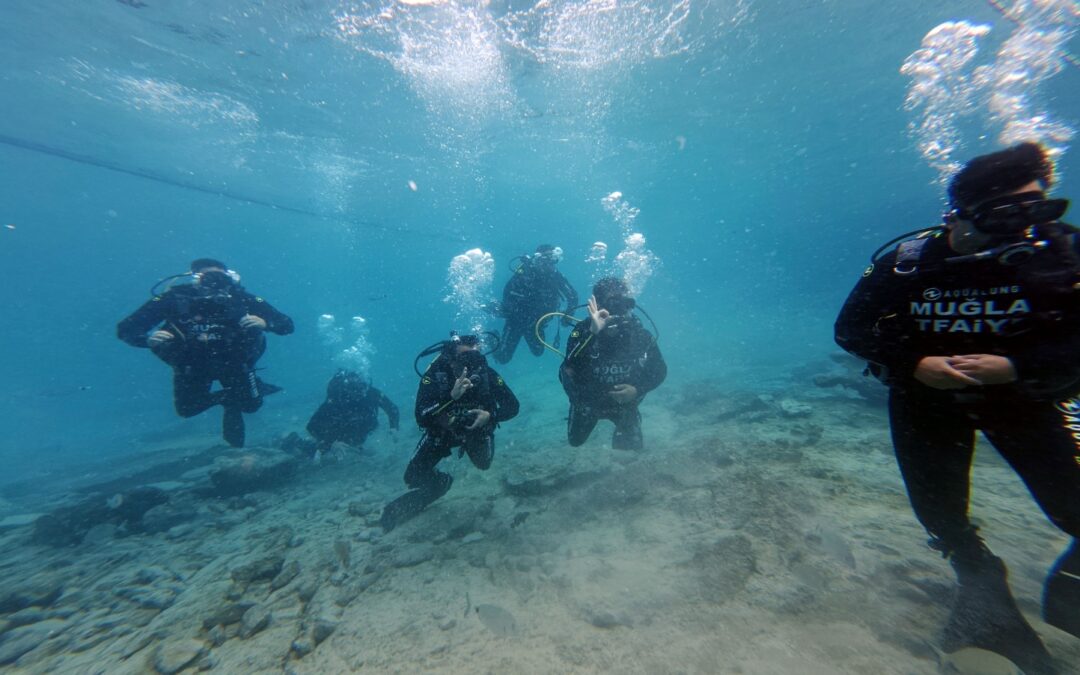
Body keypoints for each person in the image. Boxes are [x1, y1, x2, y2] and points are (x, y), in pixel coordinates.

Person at [835, 142, 1079, 674]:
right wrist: (914, 362)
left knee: (1073, 505)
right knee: (942, 513)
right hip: (926, 403)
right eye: (1003, 214)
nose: (1022, 227)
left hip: (1025, 402)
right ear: (957, 216)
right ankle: (979, 578)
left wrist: (1014, 366)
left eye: (1038, 208)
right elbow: (851, 330)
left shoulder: (1063, 255)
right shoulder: (907, 264)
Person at [118, 258, 294, 448]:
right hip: (191, 365)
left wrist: (266, 323)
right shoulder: (174, 298)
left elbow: (286, 324)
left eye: (220, 276)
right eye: (208, 276)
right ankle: (228, 398)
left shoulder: (241, 298)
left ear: (229, 277)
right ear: (195, 278)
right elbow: (126, 329)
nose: (215, 281)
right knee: (187, 409)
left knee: (251, 406)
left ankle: (240, 394)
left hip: (236, 362)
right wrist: (146, 339)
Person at [380, 333, 519, 533]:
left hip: (476, 431)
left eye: (476, 356)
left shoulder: (486, 373)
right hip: (442, 433)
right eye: (464, 357)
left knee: (483, 464)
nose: (470, 364)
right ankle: (441, 483)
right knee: (413, 477)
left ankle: (473, 443)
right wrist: (450, 397)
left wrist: (490, 416)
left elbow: (513, 406)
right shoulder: (435, 375)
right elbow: (421, 415)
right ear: (450, 357)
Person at [560, 277, 666, 451]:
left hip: (624, 404)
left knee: (631, 451)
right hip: (588, 404)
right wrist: (592, 334)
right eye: (614, 303)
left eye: (626, 304)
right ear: (599, 305)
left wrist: (637, 390)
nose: (621, 310)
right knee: (575, 441)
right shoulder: (582, 332)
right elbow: (567, 370)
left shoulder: (639, 335)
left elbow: (660, 370)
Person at [491, 244, 578, 363]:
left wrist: (568, 315)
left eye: (552, 261)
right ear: (537, 258)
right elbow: (507, 292)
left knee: (538, 351)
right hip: (515, 321)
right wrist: (510, 310)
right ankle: (492, 337)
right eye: (545, 261)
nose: (548, 265)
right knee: (502, 358)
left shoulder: (555, 275)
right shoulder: (525, 272)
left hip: (537, 323)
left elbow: (572, 296)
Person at [304, 369, 400, 454]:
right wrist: (330, 443)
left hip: (361, 432)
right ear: (347, 389)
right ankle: (296, 442)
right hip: (339, 434)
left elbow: (392, 409)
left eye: (362, 389)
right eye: (354, 390)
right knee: (316, 452)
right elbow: (312, 426)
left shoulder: (372, 393)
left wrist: (394, 427)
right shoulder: (337, 399)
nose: (360, 394)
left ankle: (355, 446)